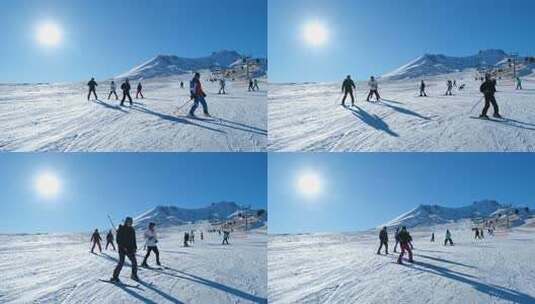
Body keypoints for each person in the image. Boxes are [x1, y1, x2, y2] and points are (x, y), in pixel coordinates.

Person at [111, 217, 139, 283]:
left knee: (134, 262)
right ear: (126, 222)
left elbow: (134, 240)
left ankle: (134, 275)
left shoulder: (132, 230)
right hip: (122, 249)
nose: (130, 223)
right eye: (129, 222)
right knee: (121, 262)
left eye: (131, 222)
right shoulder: (121, 229)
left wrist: (135, 247)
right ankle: (115, 277)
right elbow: (118, 240)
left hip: (130, 249)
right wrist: (123, 247)